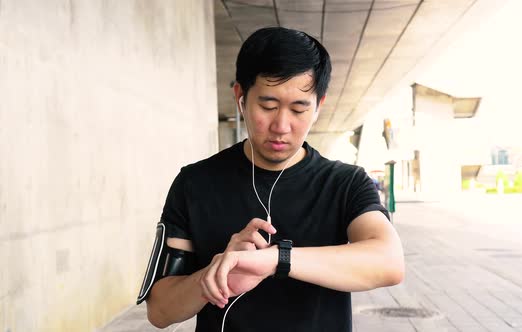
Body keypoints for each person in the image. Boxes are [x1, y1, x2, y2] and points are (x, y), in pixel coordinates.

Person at [136, 27, 405, 332]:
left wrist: (278, 259)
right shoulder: (194, 183)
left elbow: (389, 262)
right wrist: (212, 276)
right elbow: (159, 312)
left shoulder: (345, 183)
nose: (281, 125)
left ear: (319, 106)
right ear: (240, 97)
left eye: (298, 109)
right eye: (268, 106)